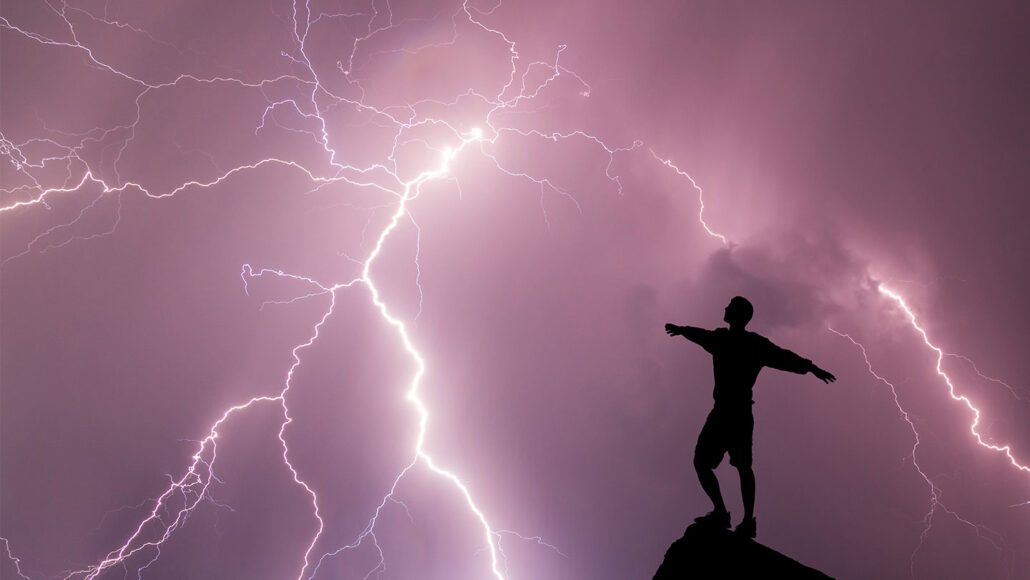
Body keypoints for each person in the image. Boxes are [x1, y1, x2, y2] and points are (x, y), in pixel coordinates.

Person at [665, 296, 835, 538]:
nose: (724, 308)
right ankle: (738, 518)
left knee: (717, 464)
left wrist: (810, 367)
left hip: (729, 412)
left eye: (729, 307)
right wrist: (682, 330)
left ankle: (730, 515)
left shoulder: (728, 340)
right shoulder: (743, 342)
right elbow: (783, 356)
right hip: (737, 412)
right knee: (733, 466)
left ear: (736, 314)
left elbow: (783, 356)